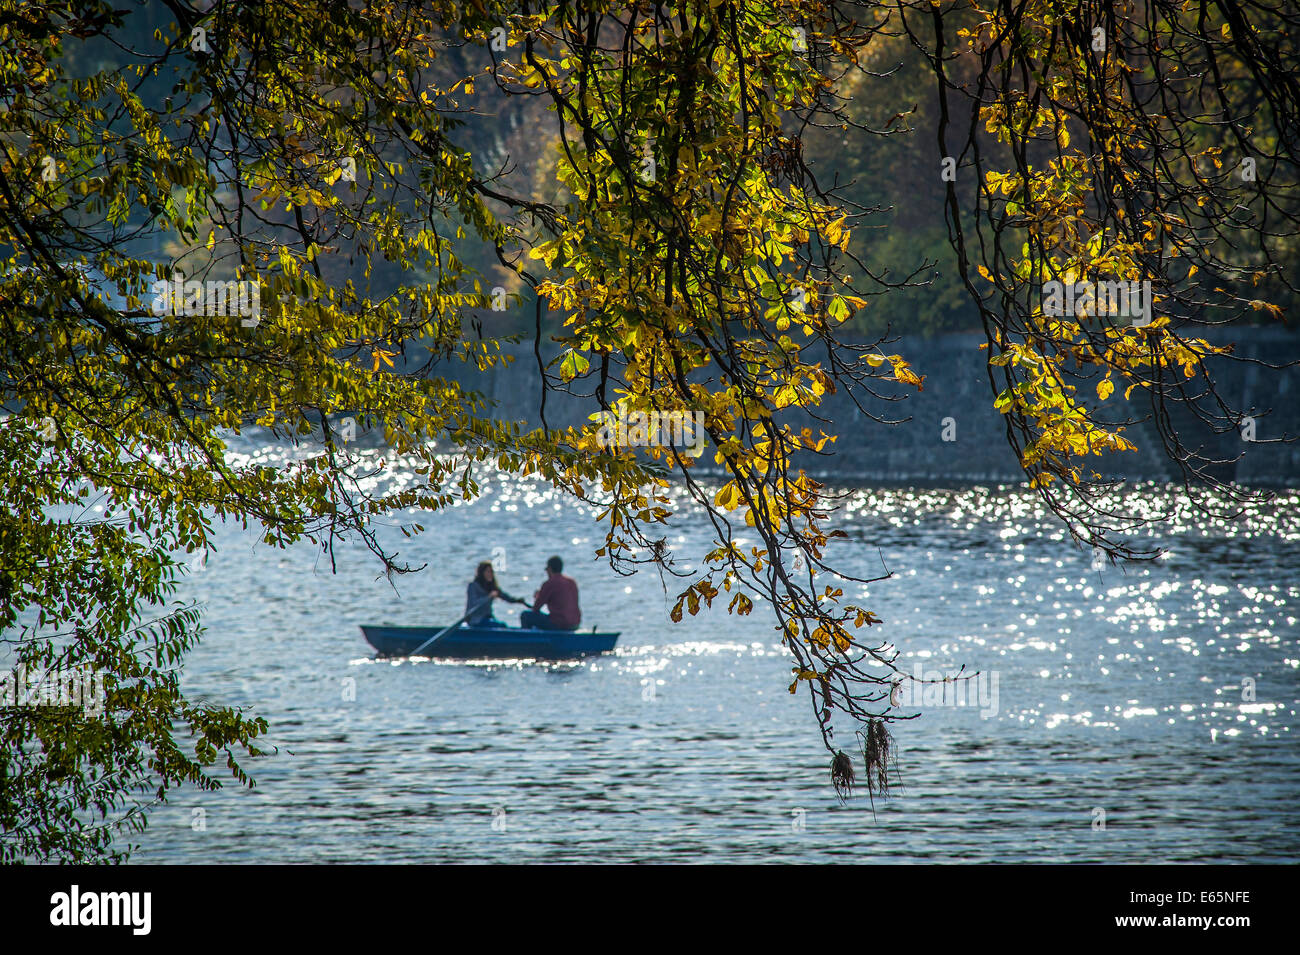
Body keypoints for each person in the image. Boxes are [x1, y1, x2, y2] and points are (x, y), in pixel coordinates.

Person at [520, 556, 581, 631]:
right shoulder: (572, 582)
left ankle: (527, 639)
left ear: (549, 569)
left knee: (525, 615)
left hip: (560, 624)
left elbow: (536, 608)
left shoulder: (549, 583)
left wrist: (537, 596)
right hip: (575, 623)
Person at [465, 561, 517, 628]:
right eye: (488, 572)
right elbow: (474, 604)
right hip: (475, 620)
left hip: (487, 618)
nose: (490, 574)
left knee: (502, 625)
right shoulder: (473, 586)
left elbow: (506, 598)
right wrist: (489, 597)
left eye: (491, 572)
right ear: (482, 573)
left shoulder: (491, 587)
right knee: (502, 626)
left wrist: (518, 600)